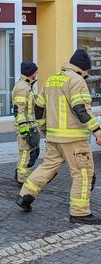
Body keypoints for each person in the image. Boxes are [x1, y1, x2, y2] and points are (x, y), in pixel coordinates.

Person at [16, 49, 101, 224]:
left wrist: (43, 128)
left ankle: (25, 195)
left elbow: (39, 108)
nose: (87, 74)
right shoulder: (77, 81)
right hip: (74, 139)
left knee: (47, 167)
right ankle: (80, 212)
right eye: (87, 71)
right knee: (83, 173)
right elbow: (81, 110)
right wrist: (98, 131)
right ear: (83, 68)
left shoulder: (51, 79)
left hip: (54, 137)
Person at [12, 61, 40, 187]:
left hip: (30, 127)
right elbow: (19, 110)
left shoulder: (27, 86)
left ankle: (20, 174)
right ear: (31, 73)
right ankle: (22, 180)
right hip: (26, 128)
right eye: (35, 71)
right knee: (26, 155)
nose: (36, 73)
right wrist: (24, 129)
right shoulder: (22, 88)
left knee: (31, 153)